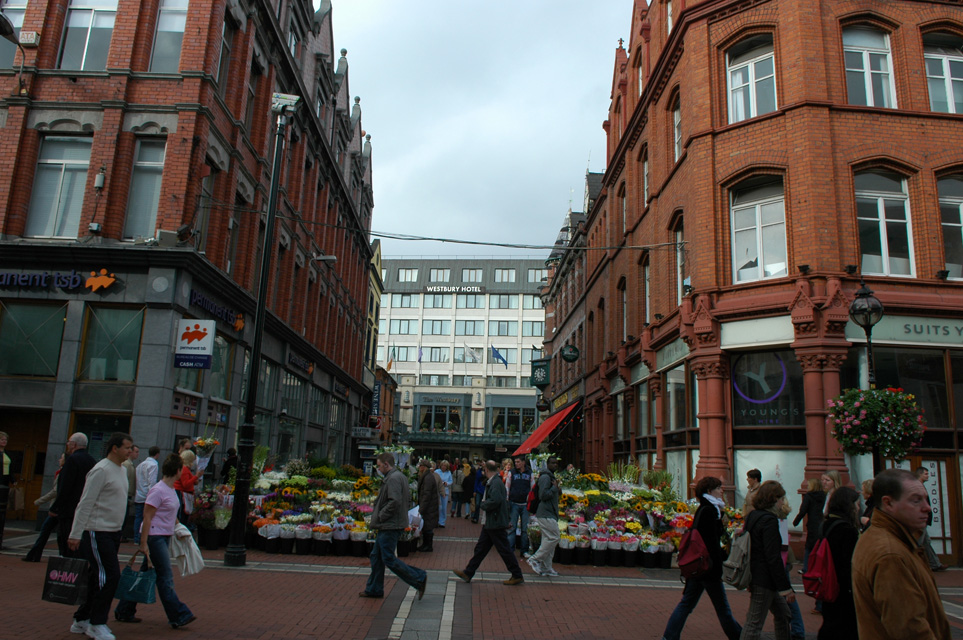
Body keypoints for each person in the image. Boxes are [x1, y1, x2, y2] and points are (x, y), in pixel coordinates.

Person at [852, 468, 951, 639]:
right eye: (916, 501)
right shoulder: (890, 554)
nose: (927, 508)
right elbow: (909, 628)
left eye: (926, 499)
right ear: (888, 503)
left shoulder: (894, 540)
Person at [114, 453, 196, 628]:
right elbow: (148, 516)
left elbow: (170, 514)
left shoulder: (170, 490)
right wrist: (143, 543)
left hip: (163, 535)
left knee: (145, 574)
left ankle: (125, 609)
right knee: (165, 577)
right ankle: (178, 613)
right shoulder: (158, 490)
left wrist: (178, 527)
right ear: (177, 470)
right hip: (155, 537)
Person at [68, 432, 133, 640]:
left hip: (113, 532)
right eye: (127, 448)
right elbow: (85, 503)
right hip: (97, 531)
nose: (130, 452)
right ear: (114, 448)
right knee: (110, 576)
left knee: (99, 577)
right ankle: (97, 623)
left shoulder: (121, 470)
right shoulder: (100, 470)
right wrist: (76, 533)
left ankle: (82, 619)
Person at [660, 476, 742, 640]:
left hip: (699, 566)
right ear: (709, 491)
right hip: (707, 567)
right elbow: (711, 542)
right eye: (718, 488)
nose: (721, 491)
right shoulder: (709, 510)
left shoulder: (709, 508)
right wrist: (718, 567)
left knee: (687, 604)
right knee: (722, 609)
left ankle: (669, 637)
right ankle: (740, 636)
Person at [360, 453, 427, 600]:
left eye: (379, 465)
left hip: (390, 524)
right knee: (377, 556)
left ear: (386, 464)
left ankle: (418, 577)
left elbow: (394, 501)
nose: (378, 469)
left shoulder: (393, 478)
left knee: (388, 558)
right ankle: (374, 588)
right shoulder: (398, 476)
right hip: (391, 523)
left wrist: (381, 515)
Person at [453, 460, 524, 586]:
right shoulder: (495, 481)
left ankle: (517, 574)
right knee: (482, 548)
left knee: (503, 549)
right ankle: (468, 572)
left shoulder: (495, 483)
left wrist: (484, 505)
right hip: (491, 522)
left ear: (486, 470)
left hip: (494, 521)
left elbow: (495, 500)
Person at [741, 480, 796, 640]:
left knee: (784, 614)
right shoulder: (769, 521)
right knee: (754, 623)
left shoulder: (753, 516)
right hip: (764, 579)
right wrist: (785, 588)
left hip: (757, 574)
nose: (782, 503)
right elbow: (773, 556)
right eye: (780, 499)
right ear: (773, 499)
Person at [817, 487, 859, 640]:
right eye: (856, 504)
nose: (858, 507)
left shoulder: (826, 524)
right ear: (849, 505)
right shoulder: (847, 530)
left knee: (830, 622)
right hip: (843, 588)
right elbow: (849, 563)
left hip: (828, 583)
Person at [50, 432, 96, 558]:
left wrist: (56, 506)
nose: (67, 444)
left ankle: (67, 568)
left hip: (69, 508)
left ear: (74, 444)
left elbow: (65, 485)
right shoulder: (91, 460)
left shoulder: (72, 460)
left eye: (69, 441)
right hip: (83, 506)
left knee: (65, 538)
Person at [23, 452, 65, 562]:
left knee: (48, 531)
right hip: (58, 507)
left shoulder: (63, 473)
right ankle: (35, 554)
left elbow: (55, 492)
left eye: (61, 458)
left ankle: (36, 554)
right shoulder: (60, 472)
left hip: (57, 508)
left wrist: (39, 501)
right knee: (49, 532)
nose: (59, 460)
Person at [526, 456, 562, 578]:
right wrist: (554, 488)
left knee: (548, 539)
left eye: (556, 463)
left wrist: (557, 490)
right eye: (552, 463)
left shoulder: (550, 477)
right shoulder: (546, 477)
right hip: (546, 513)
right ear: (547, 464)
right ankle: (535, 559)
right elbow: (543, 495)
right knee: (554, 537)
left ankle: (546, 567)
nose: (555, 465)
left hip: (549, 513)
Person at [915, 466, 948, 571]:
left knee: (926, 542)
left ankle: (935, 563)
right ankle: (914, 564)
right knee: (919, 542)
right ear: (919, 474)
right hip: (921, 518)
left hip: (924, 518)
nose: (928, 476)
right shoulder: (917, 487)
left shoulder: (920, 487)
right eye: (925, 474)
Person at [792, 478, 825, 573]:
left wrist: (796, 521)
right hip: (821, 521)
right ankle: (818, 566)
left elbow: (803, 510)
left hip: (812, 523)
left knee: (809, 546)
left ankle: (806, 567)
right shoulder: (823, 495)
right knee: (819, 544)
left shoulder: (809, 496)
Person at [506, 456, 534, 557]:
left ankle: (524, 550)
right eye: (515, 462)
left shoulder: (530, 473)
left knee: (525, 529)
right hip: (514, 503)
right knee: (512, 527)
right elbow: (507, 487)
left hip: (525, 504)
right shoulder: (512, 473)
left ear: (523, 462)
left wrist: (530, 501)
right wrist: (507, 499)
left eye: (518, 462)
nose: (516, 464)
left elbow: (532, 488)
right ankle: (510, 548)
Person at [134, 446, 161, 544]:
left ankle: (136, 537)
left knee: (138, 517)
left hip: (139, 494)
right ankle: (142, 537)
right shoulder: (153, 465)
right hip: (147, 495)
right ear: (157, 454)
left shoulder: (140, 465)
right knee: (147, 517)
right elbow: (152, 482)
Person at [173, 449, 202, 527]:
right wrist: (196, 476)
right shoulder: (184, 469)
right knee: (183, 516)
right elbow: (185, 484)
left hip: (183, 493)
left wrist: (195, 479)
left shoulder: (185, 469)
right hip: (182, 494)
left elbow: (190, 480)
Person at [416, 459, 439, 552]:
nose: (419, 468)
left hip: (429, 507)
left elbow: (427, 494)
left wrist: (421, 508)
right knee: (426, 526)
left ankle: (428, 545)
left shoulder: (428, 478)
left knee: (428, 526)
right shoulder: (427, 476)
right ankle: (426, 544)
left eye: (420, 466)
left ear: (424, 467)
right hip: (429, 506)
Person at [121, 444, 139, 540]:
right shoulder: (127, 465)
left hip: (129, 494)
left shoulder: (130, 465)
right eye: (136, 452)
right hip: (126, 494)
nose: (137, 454)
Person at [435, 460, 452, 527]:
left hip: (445, 490)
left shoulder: (449, 473)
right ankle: (436, 520)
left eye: (445, 466)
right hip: (438, 490)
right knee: (438, 506)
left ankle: (442, 522)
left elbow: (451, 481)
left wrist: (446, 483)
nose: (443, 467)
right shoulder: (437, 472)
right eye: (442, 465)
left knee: (444, 507)